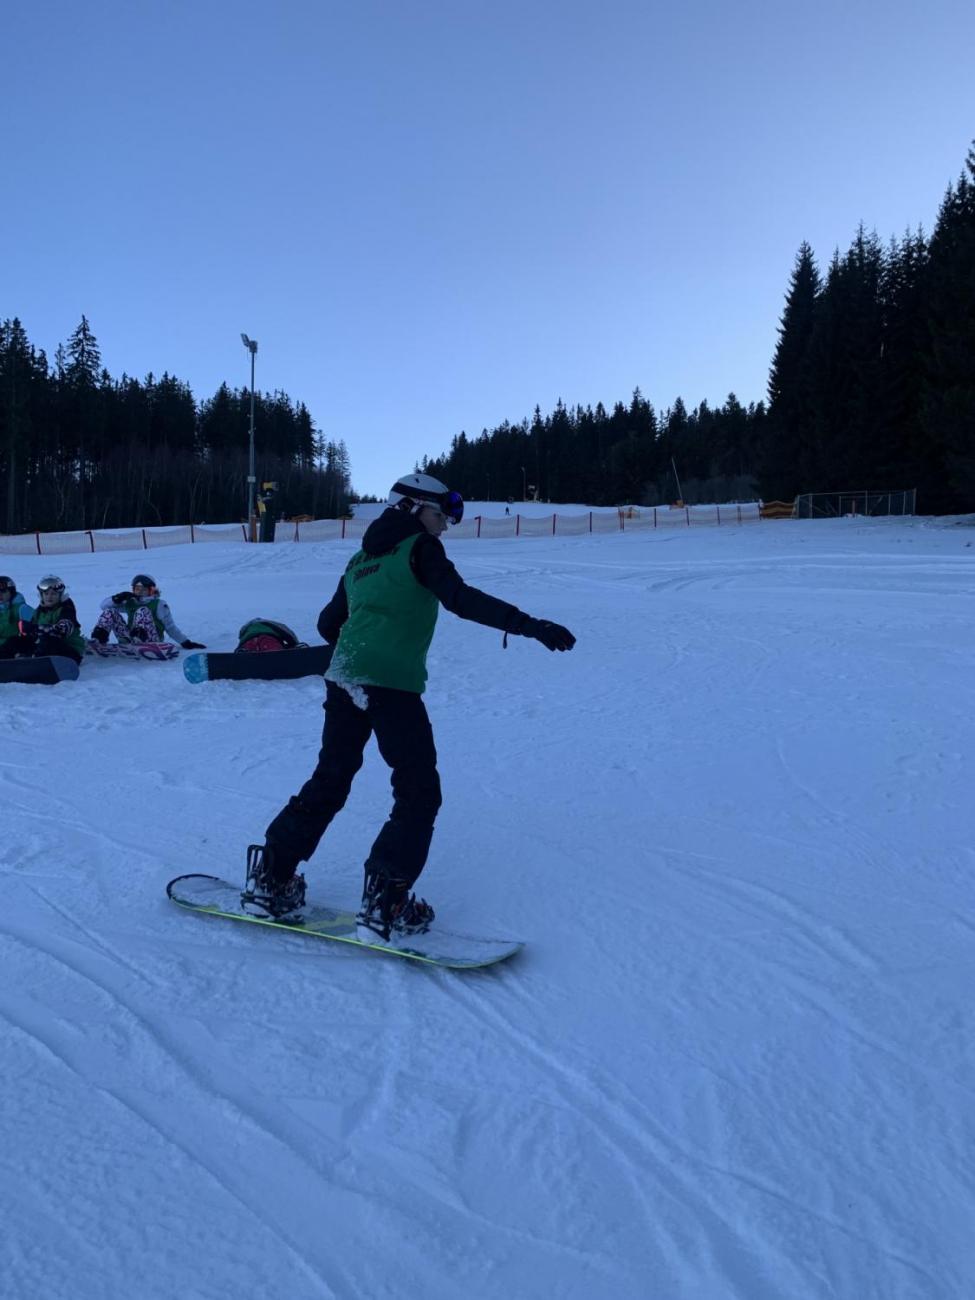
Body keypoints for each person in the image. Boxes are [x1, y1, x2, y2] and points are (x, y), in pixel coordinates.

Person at [242, 470, 576, 942]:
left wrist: (364, 642)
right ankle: (387, 903)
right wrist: (529, 625)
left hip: (344, 676)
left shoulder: (360, 559)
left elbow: (326, 622)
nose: (445, 527)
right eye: (441, 515)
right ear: (412, 507)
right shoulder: (420, 548)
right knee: (418, 791)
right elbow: (459, 598)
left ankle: (272, 878)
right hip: (390, 683)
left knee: (330, 779)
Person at [90, 574, 205, 650]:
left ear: (151, 590)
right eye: (137, 589)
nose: (140, 593)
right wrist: (117, 598)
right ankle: (98, 638)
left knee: (142, 611)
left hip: (152, 640)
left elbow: (170, 627)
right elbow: (104, 607)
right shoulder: (131, 602)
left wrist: (185, 642)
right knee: (110, 611)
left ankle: (139, 639)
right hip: (130, 638)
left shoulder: (159, 604)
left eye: (143, 590)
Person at [28, 577, 87, 663]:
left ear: (60, 595)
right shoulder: (39, 611)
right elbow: (32, 631)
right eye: (46, 594)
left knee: (48, 641)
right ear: (41, 595)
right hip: (46, 650)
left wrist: (37, 628)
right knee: (15, 641)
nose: (49, 597)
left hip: (70, 652)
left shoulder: (67, 608)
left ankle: (36, 664)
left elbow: (63, 629)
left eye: (53, 594)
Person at [0, 577, 36, 659]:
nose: (0, 595)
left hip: (16, 648)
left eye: (3, 591)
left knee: (12, 642)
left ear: (11, 592)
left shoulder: (21, 609)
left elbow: (36, 627)